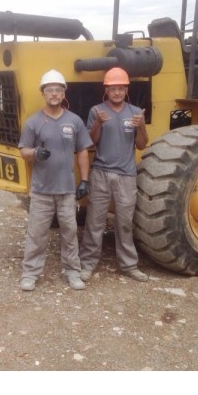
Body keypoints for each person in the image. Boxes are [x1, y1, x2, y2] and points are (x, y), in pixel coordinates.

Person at [18, 70, 93, 291]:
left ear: (63, 94)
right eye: (49, 89)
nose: (54, 93)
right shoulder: (34, 122)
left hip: (67, 190)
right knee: (37, 234)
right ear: (43, 93)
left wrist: (85, 181)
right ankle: (30, 273)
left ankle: (72, 272)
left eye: (58, 90)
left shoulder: (74, 121)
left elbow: (82, 152)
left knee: (70, 233)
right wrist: (35, 153)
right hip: (41, 190)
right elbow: (23, 150)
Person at [79, 67, 150, 282]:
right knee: (94, 221)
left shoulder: (136, 112)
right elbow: (91, 141)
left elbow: (141, 144)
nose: (117, 92)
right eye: (113, 89)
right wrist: (99, 123)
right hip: (101, 173)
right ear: (106, 90)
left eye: (120, 88)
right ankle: (88, 263)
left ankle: (129, 265)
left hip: (127, 176)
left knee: (125, 223)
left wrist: (142, 127)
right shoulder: (96, 111)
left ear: (126, 89)